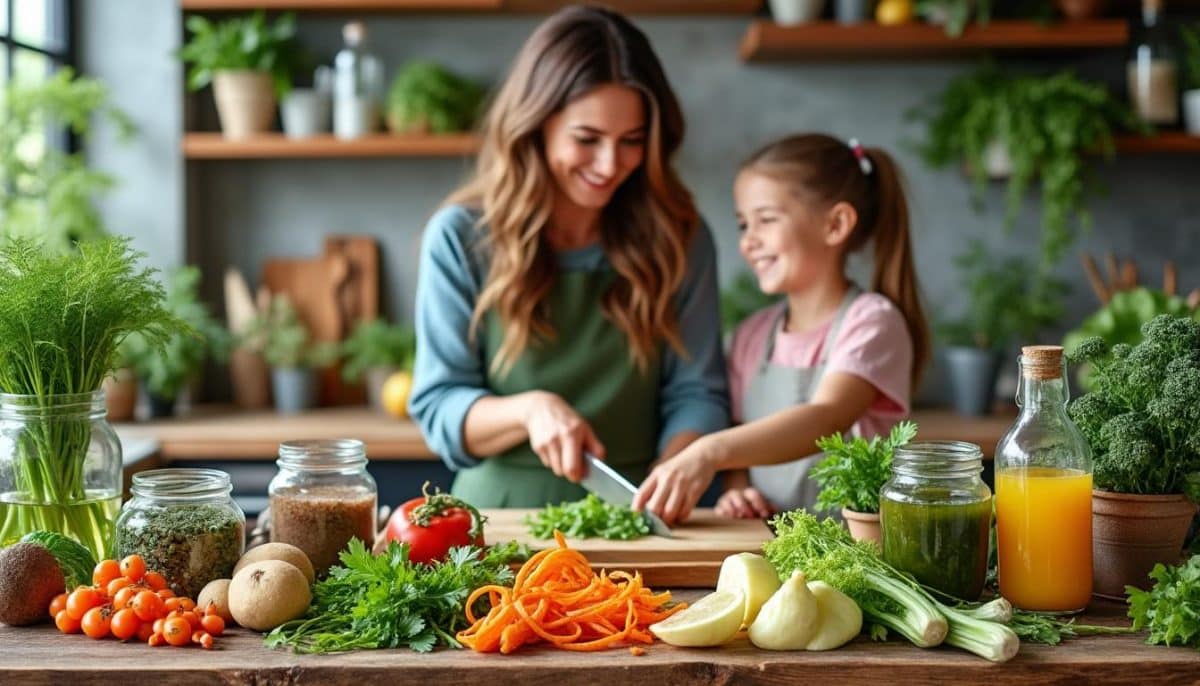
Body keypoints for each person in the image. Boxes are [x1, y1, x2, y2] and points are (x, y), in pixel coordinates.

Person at [408, 6, 729, 508]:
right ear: (536, 125)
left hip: (632, 514)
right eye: (587, 139)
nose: (609, 165)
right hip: (495, 518)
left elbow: (698, 394)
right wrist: (530, 411)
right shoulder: (461, 237)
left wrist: (678, 469)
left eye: (632, 142)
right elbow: (439, 408)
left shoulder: (681, 238)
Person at [633, 133, 930, 524]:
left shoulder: (872, 322)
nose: (748, 242)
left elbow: (826, 416)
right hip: (768, 549)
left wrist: (710, 450)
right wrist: (738, 491)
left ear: (836, 224)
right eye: (743, 225)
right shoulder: (750, 336)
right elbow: (741, 434)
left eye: (766, 220)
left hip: (854, 553)